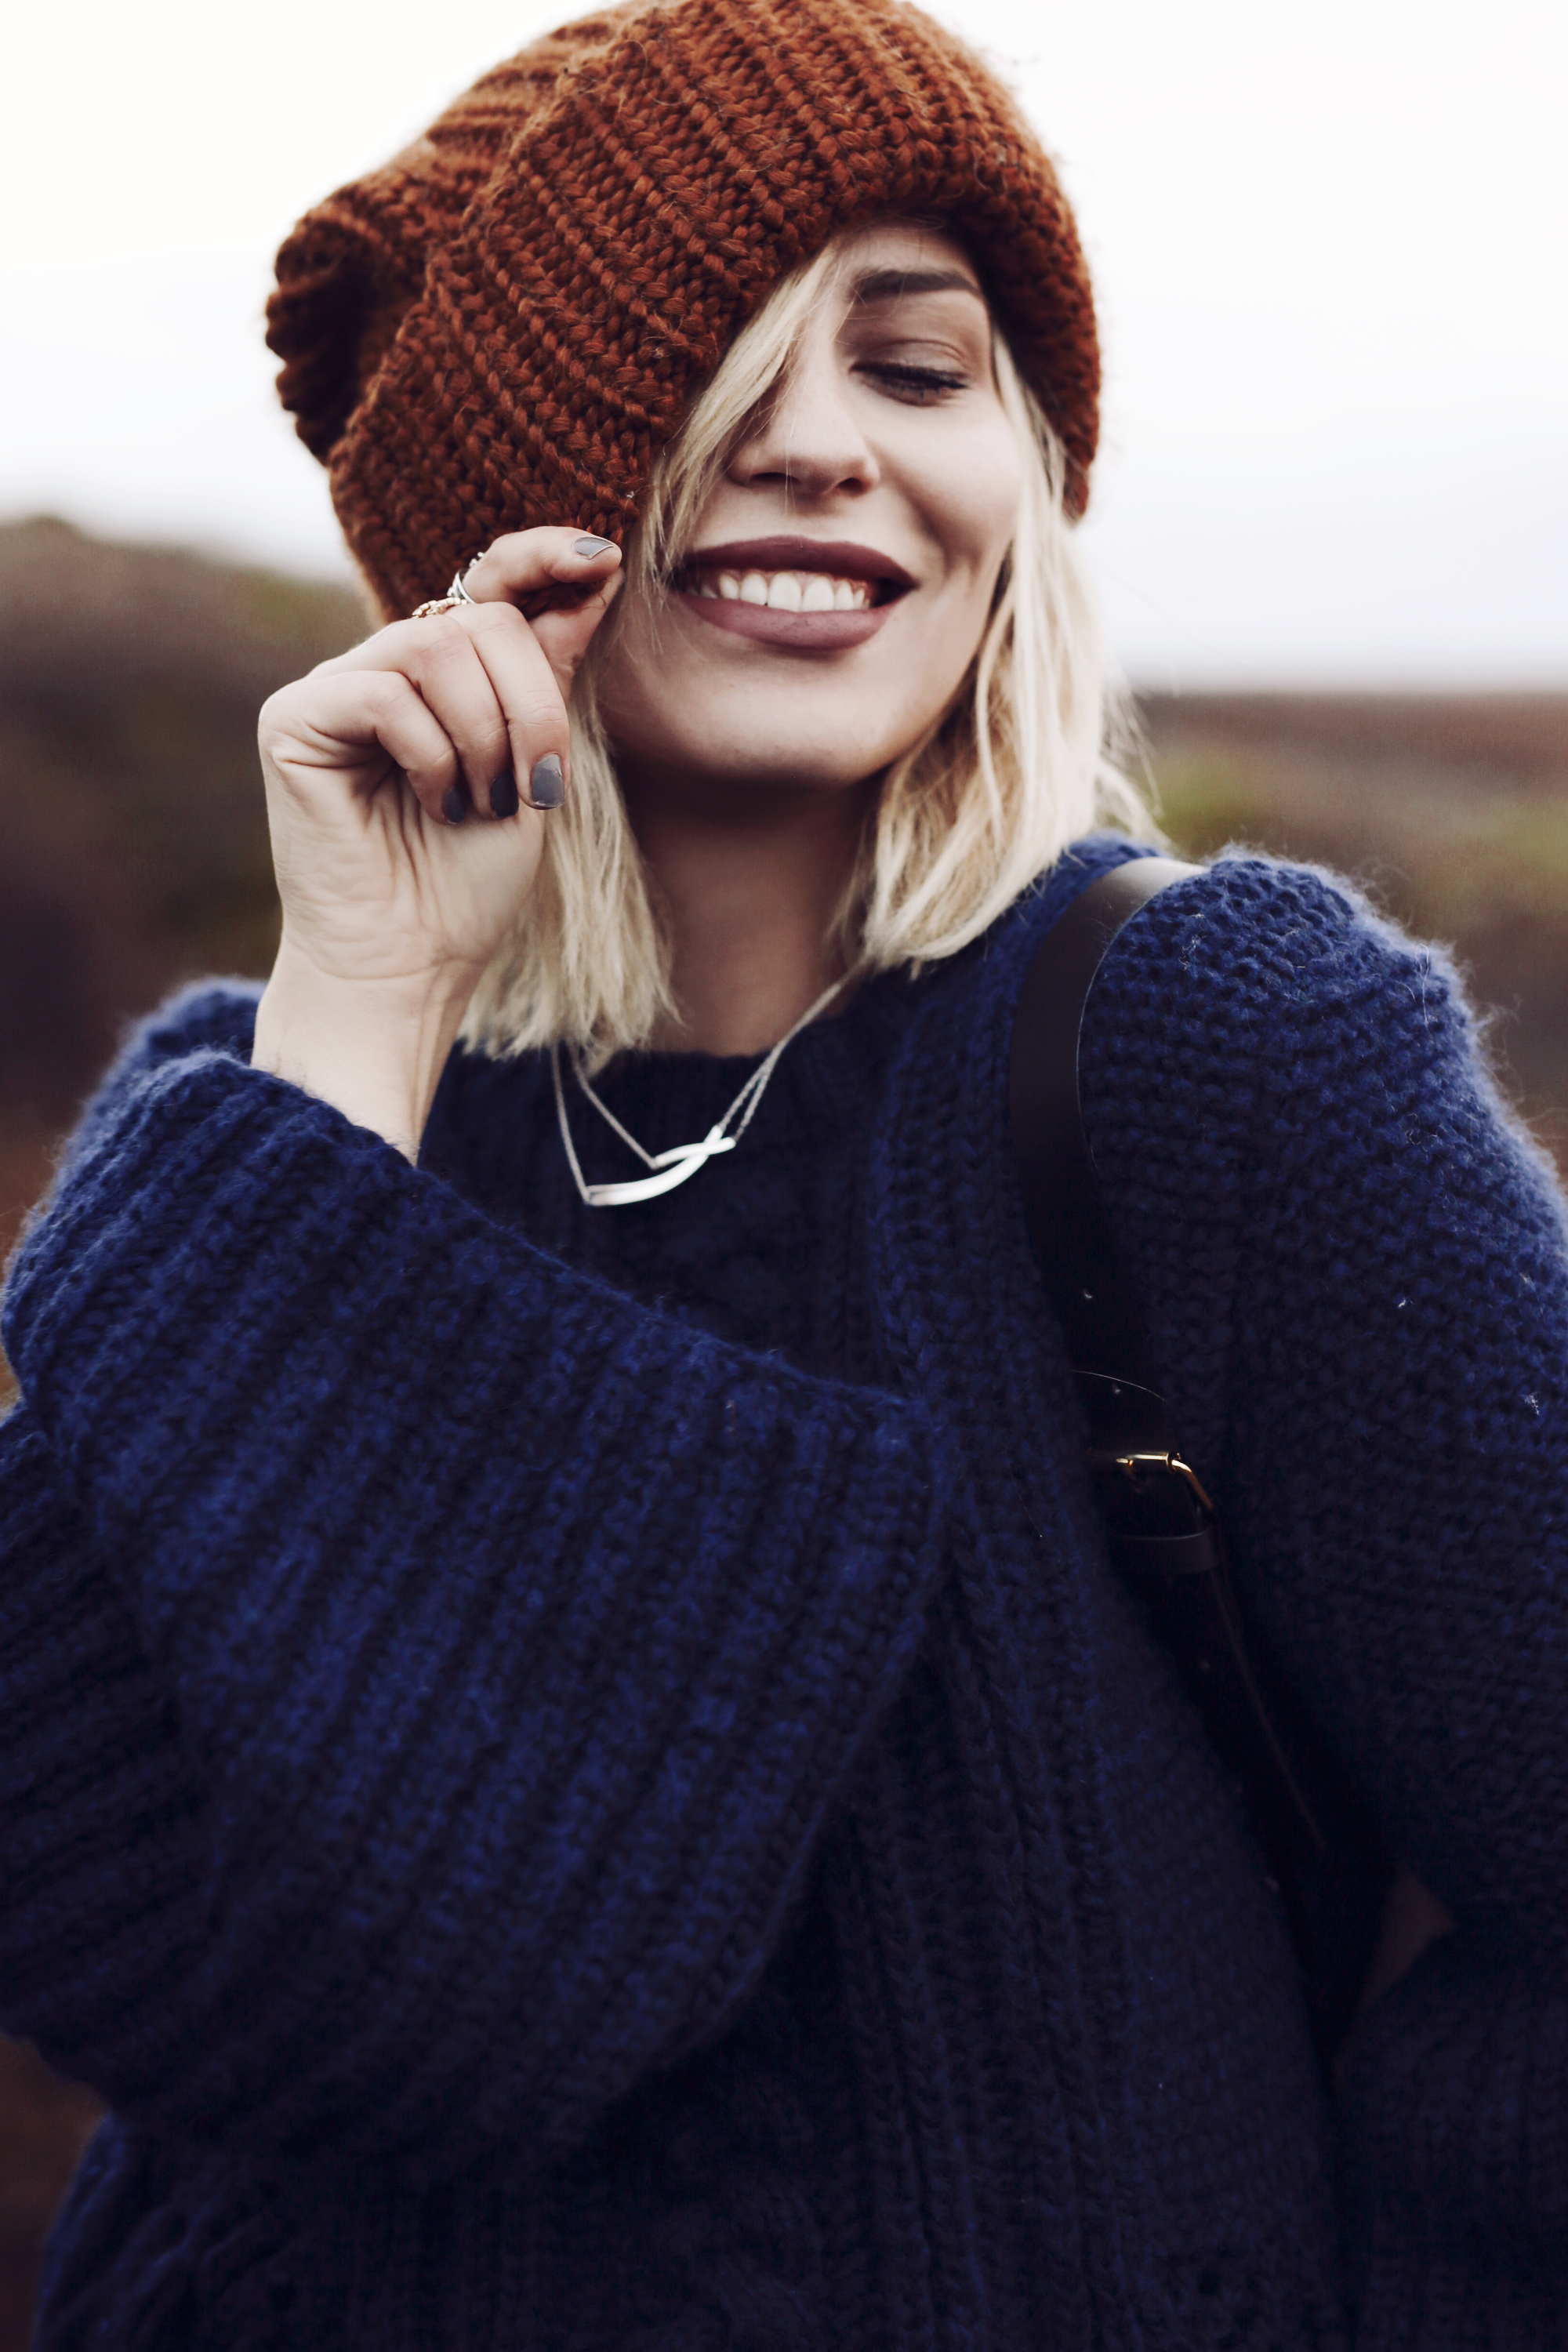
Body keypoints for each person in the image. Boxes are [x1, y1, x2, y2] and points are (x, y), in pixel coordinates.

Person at [2, 0, 1565, 2343]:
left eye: (919, 369)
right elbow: (143, 1945)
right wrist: (360, 1027)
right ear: (484, 531)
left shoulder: (1212, 1058)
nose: (825, 446)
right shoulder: (259, 1111)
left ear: (1022, 476)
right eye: (704, 374)